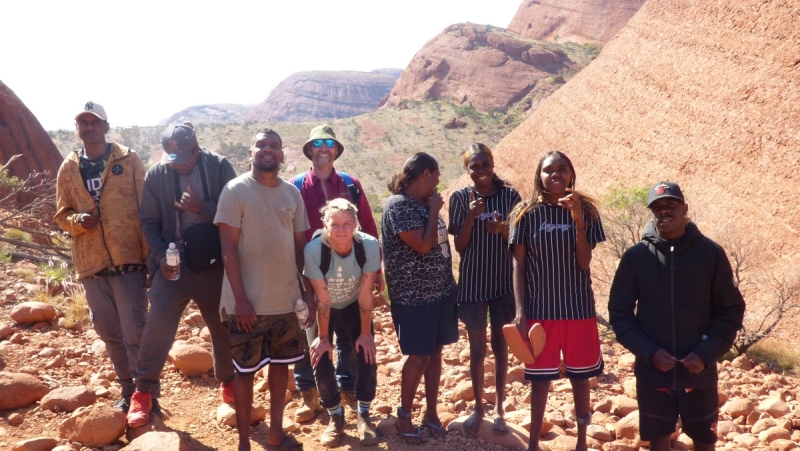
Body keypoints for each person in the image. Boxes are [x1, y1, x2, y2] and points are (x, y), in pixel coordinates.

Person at [609, 181, 744, 451]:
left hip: (699, 374)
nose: (664, 212)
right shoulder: (637, 257)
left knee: (705, 441)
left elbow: (730, 310)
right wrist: (649, 352)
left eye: (671, 205)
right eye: (657, 208)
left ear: (685, 208)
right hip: (653, 373)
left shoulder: (710, 254)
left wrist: (706, 353)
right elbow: (620, 313)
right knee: (658, 442)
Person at [128, 122, 237, 427]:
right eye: (174, 158)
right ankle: (143, 392)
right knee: (159, 321)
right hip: (173, 262)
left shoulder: (219, 167)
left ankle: (229, 384)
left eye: (186, 157)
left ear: (197, 147)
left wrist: (203, 208)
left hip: (213, 261)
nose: (181, 163)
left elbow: (237, 212)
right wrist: (162, 256)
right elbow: (148, 220)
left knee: (221, 324)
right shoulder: (158, 174)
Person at [215, 128, 311, 451]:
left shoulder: (291, 195)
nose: (268, 149)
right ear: (250, 153)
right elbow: (228, 248)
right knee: (244, 373)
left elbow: (301, 249)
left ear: (282, 154)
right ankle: (244, 443)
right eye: (261, 145)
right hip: (247, 305)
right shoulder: (235, 190)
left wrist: (307, 293)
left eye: (274, 145)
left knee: (281, 367)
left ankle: (274, 435)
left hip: (285, 301)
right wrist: (240, 299)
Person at [54, 101, 148, 415]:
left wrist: (152, 257)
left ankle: (146, 393)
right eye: (83, 123)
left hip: (129, 256)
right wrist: (77, 221)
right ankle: (127, 388)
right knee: (108, 329)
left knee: (135, 328)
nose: (89, 127)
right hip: (91, 262)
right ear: (78, 129)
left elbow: (145, 206)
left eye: (95, 122)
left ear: (106, 127)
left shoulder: (128, 158)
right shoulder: (68, 168)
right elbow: (61, 213)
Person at [509, 151, 605, 451]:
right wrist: (521, 312)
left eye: (562, 169)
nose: (556, 175)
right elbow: (518, 266)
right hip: (540, 312)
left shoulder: (586, 210)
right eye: (549, 170)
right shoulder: (525, 213)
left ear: (571, 174)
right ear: (539, 175)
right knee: (540, 381)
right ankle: (534, 444)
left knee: (580, 378)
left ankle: (580, 443)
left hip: (578, 309)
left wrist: (577, 220)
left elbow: (584, 261)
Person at [290, 124, 383, 422]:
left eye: (329, 143)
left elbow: (367, 225)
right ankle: (310, 395)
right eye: (317, 143)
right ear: (309, 150)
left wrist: (375, 270)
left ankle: (347, 393)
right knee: (311, 333)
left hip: (350, 275)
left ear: (336, 150)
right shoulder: (295, 186)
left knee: (348, 335)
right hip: (308, 272)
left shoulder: (350, 183)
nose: (323, 147)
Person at [382, 152, 457, 444]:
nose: (437, 185)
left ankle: (431, 413)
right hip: (414, 297)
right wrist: (434, 210)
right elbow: (423, 246)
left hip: (440, 293)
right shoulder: (399, 206)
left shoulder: (421, 203)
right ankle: (403, 415)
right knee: (419, 356)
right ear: (425, 174)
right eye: (436, 178)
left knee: (435, 352)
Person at [448, 143, 521, 436]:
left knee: (502, 346)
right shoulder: (459, 198)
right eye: (474, 166)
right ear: (467, 170)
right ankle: (478, 408)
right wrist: (469, 217)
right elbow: (460, 247)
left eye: (485, 164)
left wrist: (503, 229)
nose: (480, 170)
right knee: (477, 350)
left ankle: (499, 408)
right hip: (474, 284)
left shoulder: (510, 196)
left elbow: (519, 238)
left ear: (493, 163)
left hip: (503, 283)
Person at [305, 198, 381, 446]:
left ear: (356, 224)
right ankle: (335, 417)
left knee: (366, 353)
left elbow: (365, 292)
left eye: (347, 224)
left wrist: (366, 334)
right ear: (325, 225)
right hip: (324, 305)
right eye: (334, 224)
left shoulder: (368, 246)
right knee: (320, 356)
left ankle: (364, 415)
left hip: (353, 302)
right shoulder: (314, 250)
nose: (341, 230)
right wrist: (324, 339)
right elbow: (323, 298)